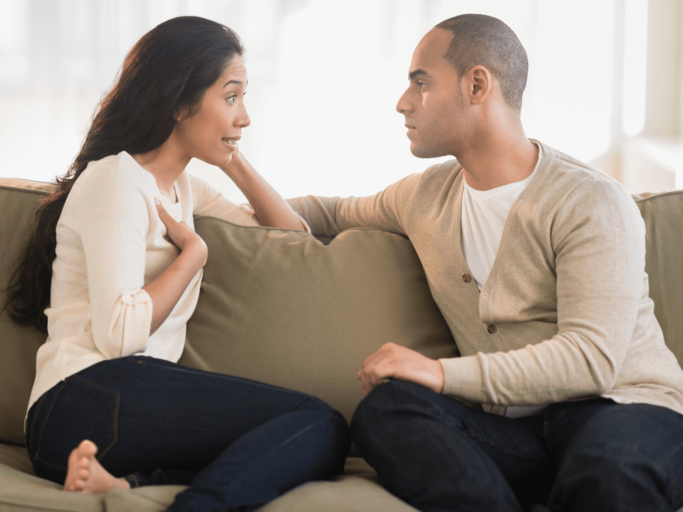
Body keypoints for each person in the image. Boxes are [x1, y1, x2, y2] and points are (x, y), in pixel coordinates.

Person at [289, 14, 683, 512]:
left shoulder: (589, 200)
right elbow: (326, 212)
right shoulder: (424, 196)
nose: (403, 102)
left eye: (421, 82)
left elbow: (592, 361)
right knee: (386, 410)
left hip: (625, 411)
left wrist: (440, 372)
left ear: (477, 84)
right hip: (518, 436)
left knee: (609, 475)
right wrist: (208, 194)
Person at [4, 16, 349, 512]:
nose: (245, 116)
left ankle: (124, 484)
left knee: (304, 438)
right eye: (231, 97)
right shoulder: (116, 180)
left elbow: (290, 237)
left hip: (105, 422)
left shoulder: (183, 188)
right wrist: (193, 257)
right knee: (316, 421)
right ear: (180, 101)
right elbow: (119, 336)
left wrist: (232, 155)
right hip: (82, 398)